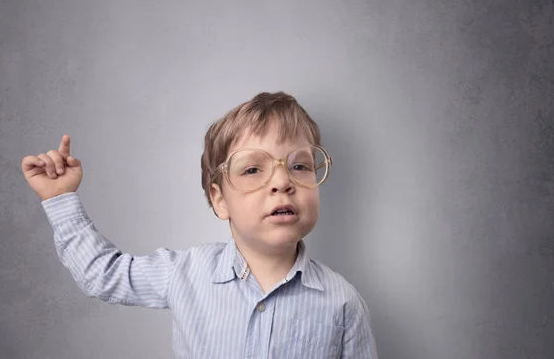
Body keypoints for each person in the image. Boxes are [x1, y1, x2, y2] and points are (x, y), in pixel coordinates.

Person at [21, 91, 378, 358]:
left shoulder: (342, 302)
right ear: (220, 199)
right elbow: (104, 274)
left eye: (299, 165)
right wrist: (60, 198)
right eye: (253, 169)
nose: (281, 181)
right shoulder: (186, 273)